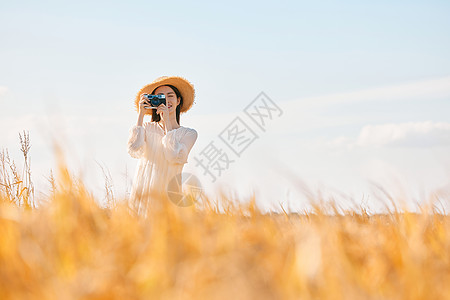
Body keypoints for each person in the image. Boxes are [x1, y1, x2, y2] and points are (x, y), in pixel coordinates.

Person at [127, 76, 198, 217]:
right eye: (160, 96)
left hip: (168, 196)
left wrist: (167, 122)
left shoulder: (189, 134)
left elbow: (173, 156)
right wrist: (140, 115)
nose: (165, 100)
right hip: (143, 193)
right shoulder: (146, 128)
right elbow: (134, 149)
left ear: (178, 101)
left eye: (170, 96)